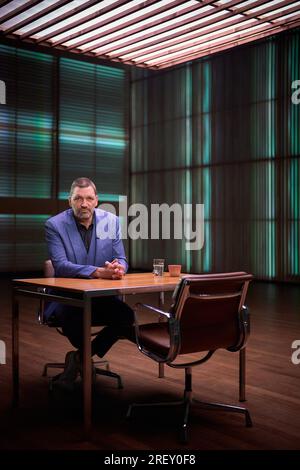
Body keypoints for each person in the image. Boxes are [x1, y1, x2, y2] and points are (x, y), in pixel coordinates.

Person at [44, 177, 134, 391]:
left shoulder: (111, 222)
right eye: (78, 198)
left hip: (100, 297)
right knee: (75, 322)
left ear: (96, 201)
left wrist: (119, 268)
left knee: (127, 317)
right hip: (67, 299)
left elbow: (121, 258)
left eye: (88, 198)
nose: (83, 204)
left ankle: (79, 358)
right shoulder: (54, 225)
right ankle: (84, 357)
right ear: (70, 201)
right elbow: (61, 265)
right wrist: (98, 272)